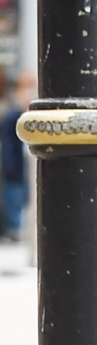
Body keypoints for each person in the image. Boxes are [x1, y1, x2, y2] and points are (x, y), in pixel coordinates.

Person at [0, 69, 29, 241]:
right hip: (14, 170)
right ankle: (14, 228)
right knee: (14, 199)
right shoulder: (12, 116)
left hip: (21, 169)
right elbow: (8, 145)